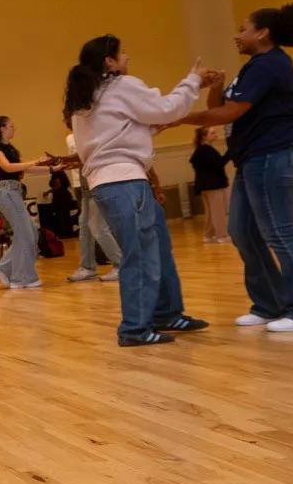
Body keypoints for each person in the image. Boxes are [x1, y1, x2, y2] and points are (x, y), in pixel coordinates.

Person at [180, 3, 293, 332]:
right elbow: (220, 108)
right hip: (254, 156)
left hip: (275, 151)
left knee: (278, 232)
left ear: (263, 33)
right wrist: (217, 85)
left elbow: (229, 114)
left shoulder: (271, 63)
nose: (237, 35)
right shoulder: (253, 67)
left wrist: (175, 117)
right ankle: (270, 304)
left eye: (243, 29)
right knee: (242, 231)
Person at [63, 35, 214, 346]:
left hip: (118, 183)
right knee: (142, 255)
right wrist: (192, 81)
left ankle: (166, 313)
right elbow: (167, 108)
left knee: (157, 248)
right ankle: (135, 328)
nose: (127, 57)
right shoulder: (120, 86)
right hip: (124, 182)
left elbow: (125, 128)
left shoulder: (87, 97)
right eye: (122, 53)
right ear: (109, 61)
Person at [0, 116, 58, 289]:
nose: (14, 128)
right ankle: (21, 278)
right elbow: (8, 167)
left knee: (30, 231)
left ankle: (4, 268)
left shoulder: (10, 149)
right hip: (7, 192)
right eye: (11, 126)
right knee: (26, 233)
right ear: (2, 129)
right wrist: (35, 161)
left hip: (14, 192)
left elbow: (25, 168)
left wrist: (51, 168)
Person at [63, 129, 122, 283]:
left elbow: (91, 157)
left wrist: (64, 160)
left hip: (98, 186)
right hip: (86, 189)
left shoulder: (92, 132)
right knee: (84, 228)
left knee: (98, 227)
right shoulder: (77, 134)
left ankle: (121, 264)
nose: (67, 121)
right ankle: (87, 267)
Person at [191, 127, 231, 242]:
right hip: (212, 185)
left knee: (211, 211)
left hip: (207, 185)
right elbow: (219, 164)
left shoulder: (202, 150)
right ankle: (222, 236)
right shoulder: (205, 151)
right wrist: (231, 151)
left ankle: (209, 235)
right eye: (212, 133)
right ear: (204, 136)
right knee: (218, 211)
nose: (215, 134)